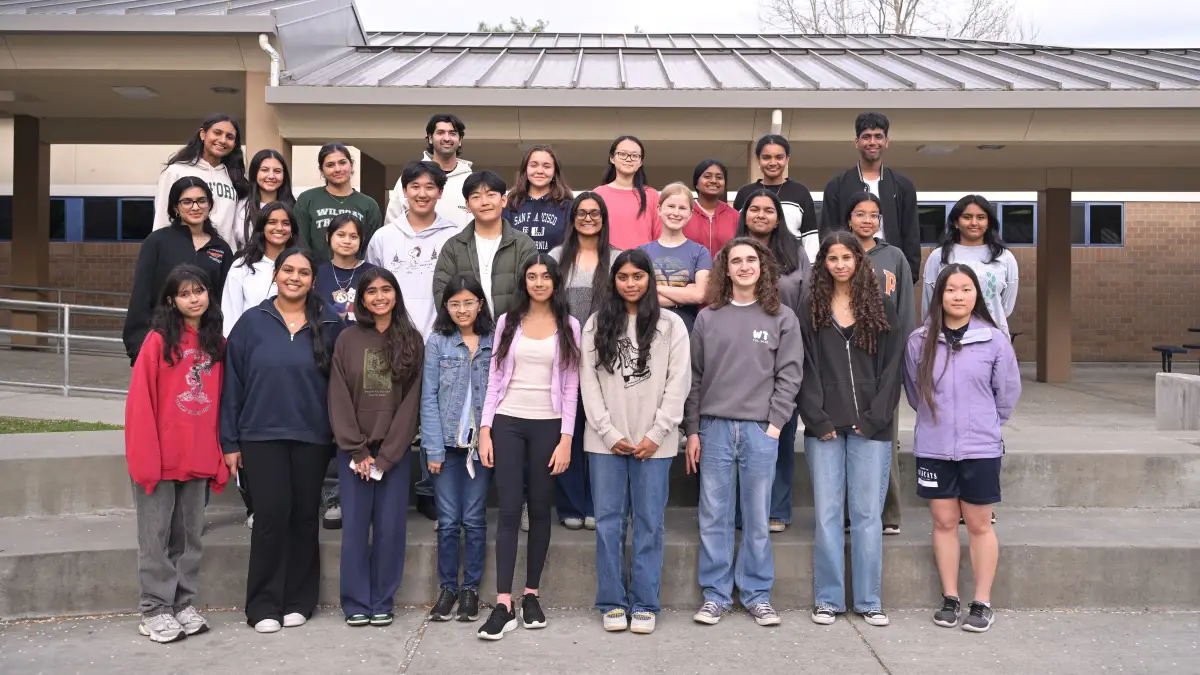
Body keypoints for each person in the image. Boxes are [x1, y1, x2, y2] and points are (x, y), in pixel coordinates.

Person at [219, 247, 344, 634]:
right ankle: (263, 605)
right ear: (275, 275)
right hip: (260, 436)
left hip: (313, 436)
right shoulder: (251, 323)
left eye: (303, 272)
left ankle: (298, 601)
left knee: (304, 519)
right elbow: (232, 387)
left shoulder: (330, 322)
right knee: (271, 518)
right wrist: (230, 442)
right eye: (287, 270)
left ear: (313, 280)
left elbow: (341, 386)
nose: (294, 277)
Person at [684, 237, 803, 628]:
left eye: (751, 259)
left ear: (763, 266)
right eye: (736, 261)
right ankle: (716, 595)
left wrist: (774, 425)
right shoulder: (708, 317)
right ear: (726, 269)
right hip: (715, 428)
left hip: (759, 430)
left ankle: (756, 594)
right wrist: (695, 428)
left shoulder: (782, 316)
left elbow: (790, 375)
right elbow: (695, 377)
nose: (744, 266)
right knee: (714, 515)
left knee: (756, 517)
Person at [906, 264, 1020, 634]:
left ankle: (982, 601)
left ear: (977, 295)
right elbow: (914, 392)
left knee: (978, 524)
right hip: (935, 448)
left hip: (980, 448)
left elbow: (1007, 394)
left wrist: (984, 423)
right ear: (938, 295)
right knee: (942, 522)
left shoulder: (994, 340)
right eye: (950, 289)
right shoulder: (919, 341)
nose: (958, 295)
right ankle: (951, 597)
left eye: (966, 289)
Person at [580, 249, 690, 635]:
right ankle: (611, 601)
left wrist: (657, 434)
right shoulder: (596, 325)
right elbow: (588, 384)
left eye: (637, 276)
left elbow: (678, 385)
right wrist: (608, 433)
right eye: (623, 276)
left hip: (654, 444)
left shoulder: (671, 325)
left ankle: (645, 602)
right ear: (614, 281)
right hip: (605, 442)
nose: (630, 283)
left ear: (649, 279)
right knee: (609, 523)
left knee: (649, 523)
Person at [799, 231, 903, 629]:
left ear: (860, 262)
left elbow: (893, 370)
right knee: (826, 515)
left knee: (866, 515)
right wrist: (816, 417)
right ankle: (827, 600)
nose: (840, 264)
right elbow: (803, 367)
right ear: (822, 263)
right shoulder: (811, 306)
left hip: (871, 428)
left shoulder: (881, 306)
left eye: (847, 257)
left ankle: (868, 600)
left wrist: (877, 417)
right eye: (832, 258)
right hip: (824, 426)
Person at [476, 254, 581, 641]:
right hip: (508, 422)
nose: (539, 282)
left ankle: (531, 595)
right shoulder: (508, 322)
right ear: (524, 282)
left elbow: (571, 387)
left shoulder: (569, 326)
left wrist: (567, 438)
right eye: (532, 277)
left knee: (539, 510)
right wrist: (485, 429)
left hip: (548, 426)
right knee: (507, 509)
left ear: (556, 282)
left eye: (545, 277)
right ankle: (503, 603)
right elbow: (494, 378)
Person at [125, 264, 228, 643]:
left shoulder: (216, 345)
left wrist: (218, 454)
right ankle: (154, 609)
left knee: (189, 538)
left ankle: (183, 603)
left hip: (197, 456)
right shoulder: (156, 341)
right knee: (155, 536)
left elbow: (218, 403)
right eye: (184, 293)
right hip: (160, 457)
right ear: (171, 300)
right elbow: (140, 404)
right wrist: (144, 458)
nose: (193, 298)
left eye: (199, 290)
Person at [328, 268, 424, 628]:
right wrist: (357, 451)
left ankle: (383, 598)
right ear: (362, 299)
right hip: (354, 455)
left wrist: (386, 457)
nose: (380, 297)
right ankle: (355, 601)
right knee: (354, 529)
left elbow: (410, 404)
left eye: (387, 290)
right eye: (372, 291)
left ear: (396, 295)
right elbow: (337, 397)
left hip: (393, 456)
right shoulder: (347, 340)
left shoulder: (412, 340)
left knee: (390, 529)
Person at [732, 188, 809, 533]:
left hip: (785, 346)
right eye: (754, 209)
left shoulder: (796, 252)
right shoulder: (732, 251)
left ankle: (777, 508)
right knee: (740, 436)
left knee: (781, 427)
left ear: (778, 217)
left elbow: (808, 296)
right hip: (740, 351)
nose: (761, 215)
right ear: (744, 214)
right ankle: (740, 512)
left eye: (768, 210)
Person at [423, 274, 495, 625]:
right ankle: (448, 588)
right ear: (446, 307)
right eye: (455, 303)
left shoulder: (493, 341)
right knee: (449, 522)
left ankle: (470, 589)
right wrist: (433, 448)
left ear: (480, 304)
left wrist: (490, 435)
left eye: (469, 302)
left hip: (480, 447)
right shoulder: (438, 341)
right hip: (447, 448)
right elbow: (429, 398)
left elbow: (497, 395)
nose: (462, 309)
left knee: (475, 520)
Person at [549, 192, 622, 530]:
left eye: (595, 213)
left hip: (606, 358)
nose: (588, 218)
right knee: (570, 432)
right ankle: (570, 504)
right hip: (564, 357)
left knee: (599, 431)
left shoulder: (618, 259)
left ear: (604, 219)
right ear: (572, 217)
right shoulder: (557, 257)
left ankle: (598, 503)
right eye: (582, 212)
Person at [846, 192, 916, 536]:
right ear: (849, 219)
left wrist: (902, 358)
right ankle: (851, 512)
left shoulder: (895, 257)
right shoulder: (839, 254)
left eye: (874, 215)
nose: (867, 220)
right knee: (849, 437)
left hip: (885, 361)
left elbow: (905, 311)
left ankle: (889, 513)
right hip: (846, 361)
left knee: (883, 436)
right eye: (860, 214)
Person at [124, 177, 233, 366]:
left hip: (206, 345)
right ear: (176, 207)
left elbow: (225, 301)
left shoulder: (221, 248)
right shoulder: (157, 242)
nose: (195, 207)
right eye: (187, 202)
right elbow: (141, 295)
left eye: (201, 200)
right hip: (164, 343)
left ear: (210, 204)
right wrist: (138, 347)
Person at [821, 112, 920, 282]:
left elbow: (911, 234)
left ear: (886, 142)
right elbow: (828, 233)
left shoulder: (902, 185)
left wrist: (909, 275)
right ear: (857, 142)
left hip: (891, 273)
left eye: (878, 137)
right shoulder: (837, 186)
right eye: (866, 137)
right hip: (846, 273)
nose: (872, 142)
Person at [366, 161, 458, 338]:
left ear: (440, 193)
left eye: (430, 187)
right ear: (404, 191)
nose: (422, 194)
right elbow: (371, 288)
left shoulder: (454, 237)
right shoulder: (383, 237)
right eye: (415, 186)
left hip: (441, 340)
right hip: (391, 338)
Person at [433, 171, 537, 319]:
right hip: (468, 336)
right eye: (476, 197)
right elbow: (441, 292)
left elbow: (533, 291)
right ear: (468, 205)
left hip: (513, 334)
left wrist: (512, 330)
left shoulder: (523, 244)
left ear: (503, 200)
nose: (484, 202)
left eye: (491, 195)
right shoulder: (453, 247)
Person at [922, 195, 1019, 338]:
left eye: (981, 217)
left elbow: (1006, 307)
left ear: (988, 222)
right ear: (956, 222)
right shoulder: (939, 256)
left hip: (990, 337)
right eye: (967, 217)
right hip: (945, 338)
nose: (974, 222)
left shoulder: (1004, 257)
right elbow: (929, 302)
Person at [152, 113, 248, 237]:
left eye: (229, 137)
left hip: (224, 254)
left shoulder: (234, 179)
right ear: (203, 134)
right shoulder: (176, 171)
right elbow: (162, 219)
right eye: (217, 133)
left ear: (234, 144)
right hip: (185, 253)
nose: (223, 140)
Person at [732, 134, 818, 263]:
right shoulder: (745, 194)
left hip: (790, 267)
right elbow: (737, 233)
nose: (773, 163)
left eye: (779, 157)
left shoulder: (800, 192)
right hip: (750, 265)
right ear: (758, 159)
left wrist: (810, 273)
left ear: (787, 159)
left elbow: (810, 239)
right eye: (766, 157)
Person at [639, 182, 712, 332]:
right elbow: (639, 295)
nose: (676, 213)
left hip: (685, 332)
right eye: (671, 206)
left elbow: (700, 295)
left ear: (690, 214)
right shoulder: (642, 252)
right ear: (659, 210)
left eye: (683, 208)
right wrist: (684, 294)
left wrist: (655, 288)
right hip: (647, 331)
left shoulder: (700, 252)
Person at [295, 142, 383, 262]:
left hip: (356, 276)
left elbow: (371, 248)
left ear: (351, 165)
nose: (337, 169)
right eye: (330, 165)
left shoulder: (369, 205)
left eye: (342, 163)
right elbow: (300, 242)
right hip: (316, 275)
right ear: (322, 170)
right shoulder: (307, 199)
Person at [384, 113, 473, 228]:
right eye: (440, 133)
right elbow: (392, 224)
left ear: (460, 140)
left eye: (452, 133)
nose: (446, 138)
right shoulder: (411, 176)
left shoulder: (471, 181)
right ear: (430, 138)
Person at [222, 201, 296, 337]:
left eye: (285, 223)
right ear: (262, 227)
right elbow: (230, 315)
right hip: (251, 343)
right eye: (272, 222)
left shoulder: (300, 266)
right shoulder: (242, 266)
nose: (279, 228)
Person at [503, 144, 574, 252]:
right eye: (534, 165)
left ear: (554, 172)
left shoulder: (568, 207)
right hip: (517, 268)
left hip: (554, 268)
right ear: (525, 170)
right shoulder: (510, 205)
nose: (540, 171)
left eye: (546, 166)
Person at [593, 136, 660, 249]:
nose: (628, 159)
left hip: (643, 264)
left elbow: (659, 237)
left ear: (640, 162)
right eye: (622, 154)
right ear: (612, 158)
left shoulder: (652, 195)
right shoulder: (598, 194)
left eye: (634, 156)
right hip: (607, 263)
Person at [315, 214, 377, 324]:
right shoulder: (317, 273)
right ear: (328, 236)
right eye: (341, 235)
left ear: (361, 240)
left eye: (353, 237)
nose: (347, 241)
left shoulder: (373, 274)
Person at [231, 149, 295, 251]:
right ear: (255, 173)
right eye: (264, 170)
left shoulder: (294, 207)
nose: (271, 176)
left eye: (277, 171)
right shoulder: (240, 206)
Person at [682, 158, 739, 256]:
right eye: (707, 176)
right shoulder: (684, 212)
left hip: (725, 270)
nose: (713, 181)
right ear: (696, 183)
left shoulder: (734, 215)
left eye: (719, 177)